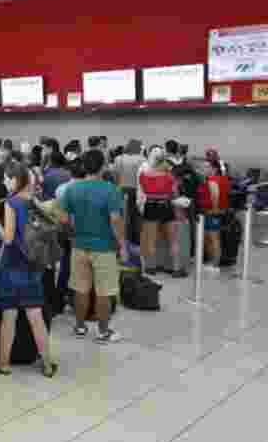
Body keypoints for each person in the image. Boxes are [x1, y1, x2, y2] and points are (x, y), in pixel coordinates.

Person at [0, 162, 59, 377]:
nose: (5, 183)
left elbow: (7, 239)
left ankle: (3, 364)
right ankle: (47, 363)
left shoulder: (11, 203)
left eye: (7, 179)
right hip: (31, 265)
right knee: (35, 315)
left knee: (9, 316)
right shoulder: (33, 202)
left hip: (10, 265)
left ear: (16, 180)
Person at [59, 150, 127, 343]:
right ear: (102, 166)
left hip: (79, 246)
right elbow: (115, 220)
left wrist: (73, 232)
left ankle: (80, 327)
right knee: (103, 291)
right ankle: (103, 332)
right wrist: (122, 245)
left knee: (80, 288)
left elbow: (63, 218)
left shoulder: (72, 189)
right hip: (104, 247)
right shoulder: (110, 190)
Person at [138, 148, 183, 277]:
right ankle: (175, 268)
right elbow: (175, 194)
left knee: (151, 239)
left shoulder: (144, 176)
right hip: (166, 206)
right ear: (163, 162)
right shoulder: (170, 177)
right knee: (173, 240)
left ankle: (151, 267)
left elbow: (144, 191)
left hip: (151, 206)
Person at [197, 150, 230, 272]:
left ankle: (215, 264)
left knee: (213, 238)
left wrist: (214, 210)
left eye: (206, 167)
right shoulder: (223, 178)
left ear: (214, 168)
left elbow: (215, 195)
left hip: (212, 212)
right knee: (212, 238)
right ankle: (212, 262)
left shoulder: (212, 180)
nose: (204, 169)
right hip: (217, 212)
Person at [113, 139, 146, 243]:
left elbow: (115, 175)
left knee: (122, 216)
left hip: (121, 189)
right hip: (137, 190)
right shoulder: (142, 159)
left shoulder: (118, 159)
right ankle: (135, 240)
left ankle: (122, 239)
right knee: (136, 216)